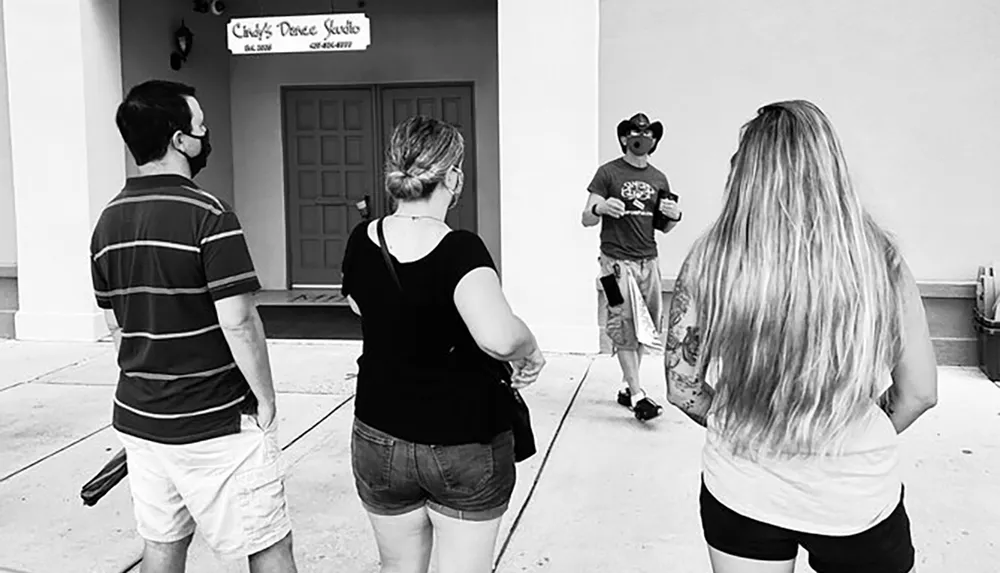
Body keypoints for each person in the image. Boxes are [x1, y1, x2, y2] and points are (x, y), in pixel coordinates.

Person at [664, 100, 938, 573]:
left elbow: (681, 387)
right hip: (856, 498)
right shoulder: (881, 261)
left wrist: (736, 424)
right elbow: (920, 393)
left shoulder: (709, 260)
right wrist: (852, 436)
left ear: (746, 173)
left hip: (743, 490)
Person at [90, 80, 298, 573]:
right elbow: (239, 321)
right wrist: (265, 397)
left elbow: (117, 325)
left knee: (161, 544)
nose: (206, 136)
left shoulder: (107, 222)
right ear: (180, 140)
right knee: (268, 546)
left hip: (141, 420)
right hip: (216, 421)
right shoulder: (210, 215)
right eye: (201, 127)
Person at [340, 115, 546, 573]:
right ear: (452, 177)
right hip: (461, 441)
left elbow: (359, 304)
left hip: (379, 432)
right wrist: (530, 345)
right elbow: (498, 337)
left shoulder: (362, 239)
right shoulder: (460, 250)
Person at [582, 112, 682, 421]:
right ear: (625, 138)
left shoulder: (659, 178)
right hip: (614, 264)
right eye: (636, 132)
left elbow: (663, 227)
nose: (642, 137)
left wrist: (675, 215)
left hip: (647, 261)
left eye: (648, 133)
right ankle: (638, 394)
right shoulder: (607, 173)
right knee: (622, 321)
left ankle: (628, 386)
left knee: (645, 326)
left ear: (654, 140)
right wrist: (600, 207)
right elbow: (586, 217)